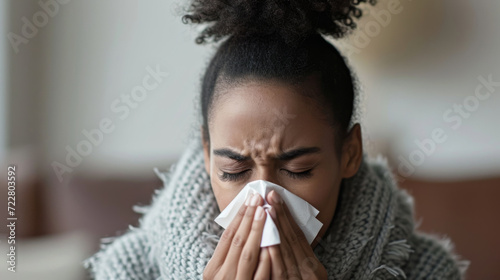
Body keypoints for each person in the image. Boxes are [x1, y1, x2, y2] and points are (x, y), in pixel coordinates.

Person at [85, 0, 469, 279]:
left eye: (298, 168)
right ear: (206, 155)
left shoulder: (424, 270)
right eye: (234, 170)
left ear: (350, 153)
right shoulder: (130, 269)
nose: (265, 198)